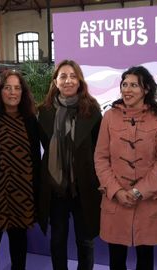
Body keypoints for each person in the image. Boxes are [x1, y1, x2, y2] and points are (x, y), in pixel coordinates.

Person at [94, 66, 157, 270]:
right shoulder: (109, 117)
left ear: (146, 89)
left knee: (145, 260)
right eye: (124, 85)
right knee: (116, 259)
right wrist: (117, 191)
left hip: (147, 200)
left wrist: (139, 191)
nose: (127, 90)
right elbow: (101, 158)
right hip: (116, 200)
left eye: (134, 85)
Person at [37, 59, 102, 270]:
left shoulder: (92, 110)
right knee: (57, 240)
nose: (68, 80)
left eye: (73, 76)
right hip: (55, 187)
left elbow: (99, 149)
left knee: (85, 240)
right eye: (63, 76)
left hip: (84, 186)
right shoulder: (44, 111)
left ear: (80, 81)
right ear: (55, 81)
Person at [0, 70, 41, 270]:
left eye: (17, 88)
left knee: (19, 243)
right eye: (8, 88)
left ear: (23, 92)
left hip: (22, 192)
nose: (13, 92)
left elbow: (35, 157)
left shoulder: (30, 119)